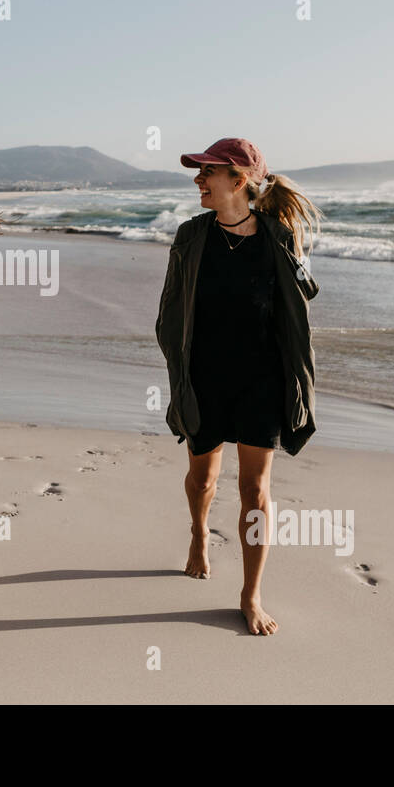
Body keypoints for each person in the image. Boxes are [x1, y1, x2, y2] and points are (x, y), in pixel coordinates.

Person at [155, 138, 322, 635]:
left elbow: (301, 303)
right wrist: (178, 371)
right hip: (205, 379)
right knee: (204, 480)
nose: (198, 180)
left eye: (207, 171)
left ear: (239, 180)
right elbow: (169, 314)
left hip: (262, 381)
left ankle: (250, 593)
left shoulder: (278, 237)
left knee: (255, 489)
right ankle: (199, 532)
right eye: (199, 171)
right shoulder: (190, 236)